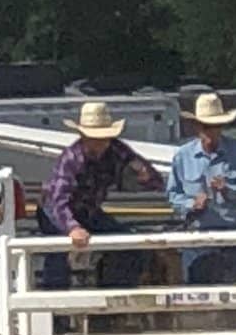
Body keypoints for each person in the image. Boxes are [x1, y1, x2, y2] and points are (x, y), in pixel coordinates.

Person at [38, 102, 163, 291]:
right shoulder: (72, 158)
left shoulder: (117, 150)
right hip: (54, 213)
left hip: (89, 211)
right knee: (57, 255)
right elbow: (59, 201)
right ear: (83, 137)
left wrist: (144, 174)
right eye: (95, 138)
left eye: (105, 138)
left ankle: (112, 301)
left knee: (130, 248)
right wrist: (72, 227)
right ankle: (56, 315)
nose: (101, 143)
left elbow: (154, 179)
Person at [168, 93, 236, 285]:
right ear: (197, 127)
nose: (211, 131)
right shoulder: (182, 157)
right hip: (196, 240)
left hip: (232, 239)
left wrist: (229, 190)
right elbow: (173, 196)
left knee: (235, 295)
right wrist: (191, 204)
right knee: (197, 294)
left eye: (216, 126)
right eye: (207, 126)